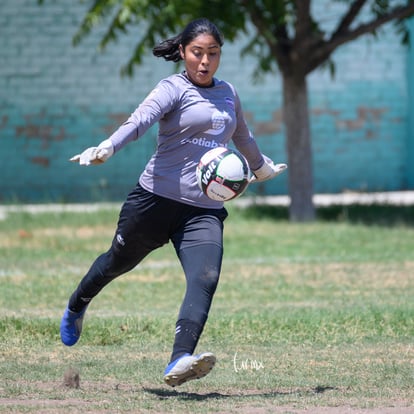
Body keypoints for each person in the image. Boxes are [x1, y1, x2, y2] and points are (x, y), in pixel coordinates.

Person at [60, 17, 287, 387]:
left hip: (203, 210)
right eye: (198, 53)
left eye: (213, 54)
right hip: (153, 201)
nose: (205, 62)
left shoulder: (228, 92)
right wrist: (107, 147)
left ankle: (180, 359)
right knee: (116, 262)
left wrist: (261, 168)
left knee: (205, 277)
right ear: (182, 52)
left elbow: (242, 135)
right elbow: (140, 121)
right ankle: (77, 304)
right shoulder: (173, 88)